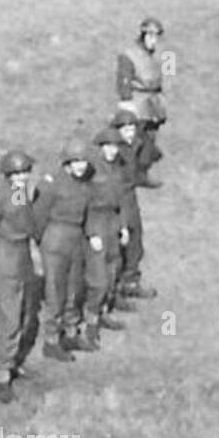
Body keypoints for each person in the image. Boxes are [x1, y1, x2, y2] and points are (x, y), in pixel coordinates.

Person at [0, 149, 42, 403]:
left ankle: (14, 362)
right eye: (17, 174)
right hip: (4, 257)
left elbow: (26, 221)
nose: (23, 177)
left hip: (22, 257)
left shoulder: (20, 192)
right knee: (11, 319)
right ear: (8, 175)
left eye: (26, 172)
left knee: (24, 313)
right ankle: (3, 375)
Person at [34, 138, 95, 360]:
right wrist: (44, 241)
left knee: (74, 287)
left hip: (76, 237)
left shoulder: (85, 182)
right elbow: (38, 214)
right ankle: (51, 340)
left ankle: (70, 331)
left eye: (84, 161)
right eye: (76, 161)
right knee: (55, 290)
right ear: (67, 162)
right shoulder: (51, 182)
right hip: (55, 237)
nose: (82, 166)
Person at [78, 126, 132, 348]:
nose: (112, 151)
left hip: (112, 221)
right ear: (101, 147)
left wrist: (123, 226)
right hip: (97, 222)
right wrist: (91, 233)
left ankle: (103, 312)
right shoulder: (91, 170)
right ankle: (90, 324)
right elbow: (83, 202)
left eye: (116, 147)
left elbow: (121, 199)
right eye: (108, 146)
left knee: (112, 270)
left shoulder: (117, 168)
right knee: (98, 279)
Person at [111, 106, 157, 298]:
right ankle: (115, 286)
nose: (130, 133)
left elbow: (148, 156)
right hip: (117, 198)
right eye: (126, 129)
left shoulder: (136, 144)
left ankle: (130, 280)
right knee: (121, 239)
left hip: (129, 195)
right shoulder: (114, 151)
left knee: (135, 238)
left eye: (132, 129)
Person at [116, 16, 166, 182]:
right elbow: (124, 79)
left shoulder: (166, 53)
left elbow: (169, 76)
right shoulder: (129, 55)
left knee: (150, 138)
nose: (154, 41)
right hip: (138, 100)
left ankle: (143, 172)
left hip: (155, 100)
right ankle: (126, 173)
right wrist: (126, 101)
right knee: (134, 139)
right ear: (143, 35)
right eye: (150, 36)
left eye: (157, 37)